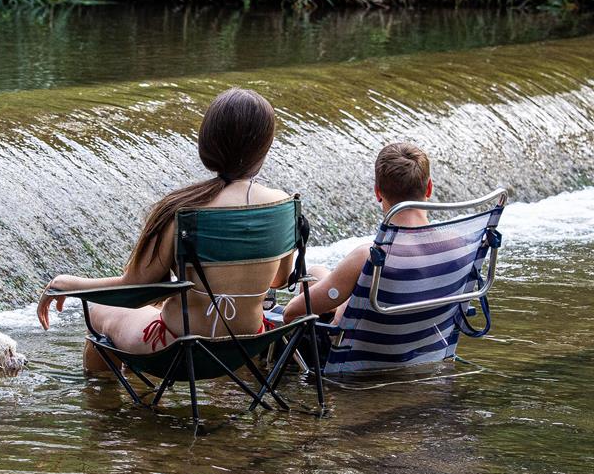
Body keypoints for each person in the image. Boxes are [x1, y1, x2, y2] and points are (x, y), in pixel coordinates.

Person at [37, 88, 293, 374]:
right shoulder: (283, 205)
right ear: (264, 146)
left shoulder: (181, 211)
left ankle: (105, 409)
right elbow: (281, 279)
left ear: (208, 142)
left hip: (176, 347)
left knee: (101, 313)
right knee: (163, 305)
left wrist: (67, 284)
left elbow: (135, 291)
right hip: (244, 343)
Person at [283, 142, 432, 325]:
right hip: (428, 348)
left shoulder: (370, 256)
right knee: (318, 273)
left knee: (315, 276)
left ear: (378, 192)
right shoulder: (459, 246)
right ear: (429, 188)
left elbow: (291, 313)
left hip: (363, 351)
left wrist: (344, 302)